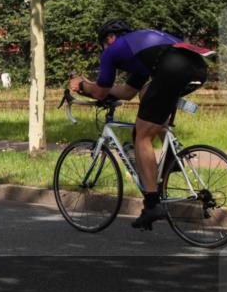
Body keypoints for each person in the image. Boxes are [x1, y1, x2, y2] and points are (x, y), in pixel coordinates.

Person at [68, 19, 211, 230]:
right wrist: (96, 88)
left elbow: (99, 92)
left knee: (142, 135)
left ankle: (152, 204)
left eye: (103, 44)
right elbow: (128, 92)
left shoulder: (112, 49)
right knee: (147, 95)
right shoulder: (141, 50)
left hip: (172, 68)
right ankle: (170, 154)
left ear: (109, 38)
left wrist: (81, 85)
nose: (105, 49)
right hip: (196, 67)